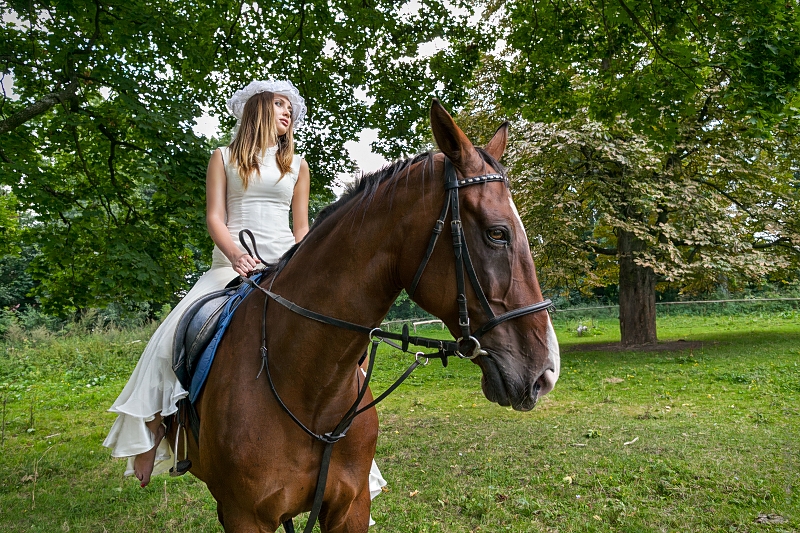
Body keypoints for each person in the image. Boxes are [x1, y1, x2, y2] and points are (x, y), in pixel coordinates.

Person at [103, 80, 387, 512]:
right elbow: (215, 217)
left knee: (340, 348)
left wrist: (310, 270)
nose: (288, 113)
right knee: (176, 333)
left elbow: (301, 228)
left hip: (286, 265)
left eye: (291, 108)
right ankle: (158, 426)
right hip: (233, 264)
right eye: (280, 104)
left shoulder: (298, 165)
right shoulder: (223, 158)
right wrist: (236, 255)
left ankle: (347, 440)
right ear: (258, 108)